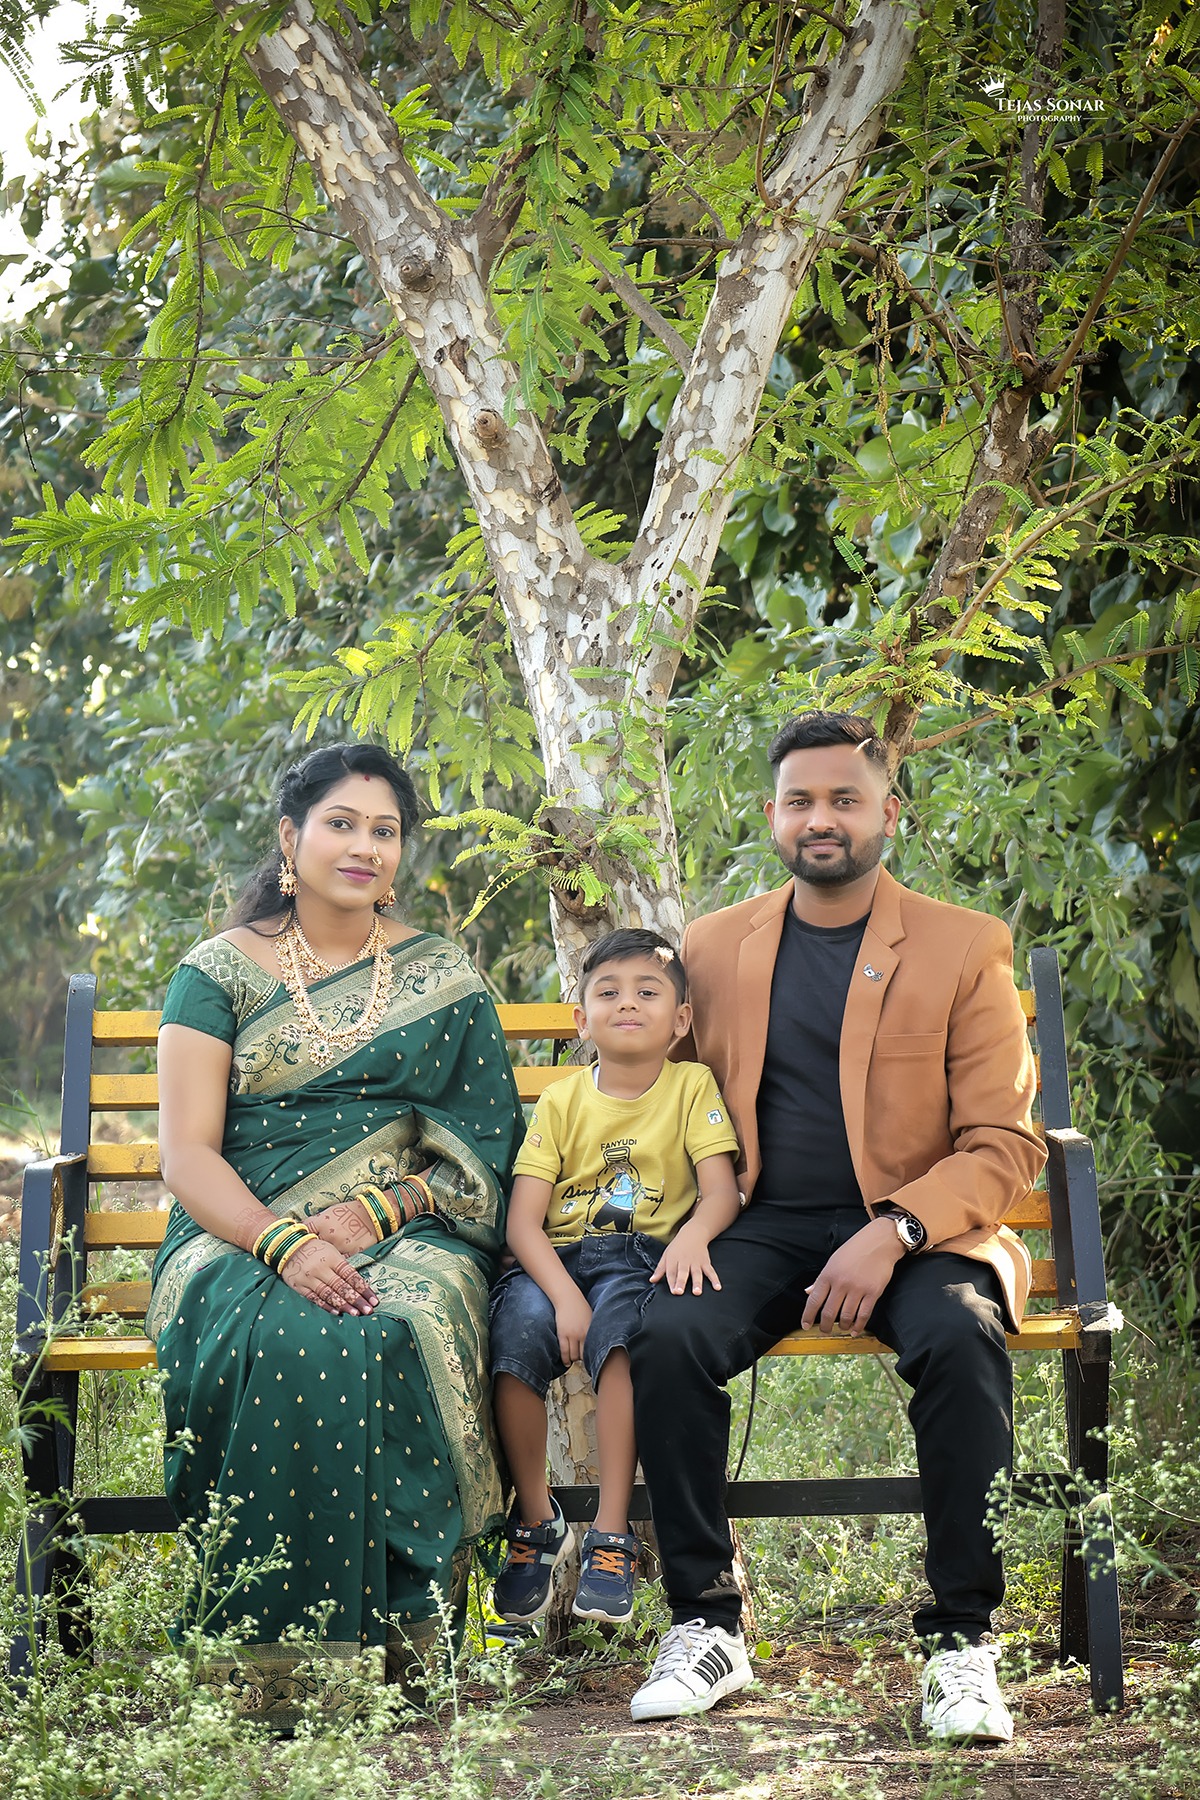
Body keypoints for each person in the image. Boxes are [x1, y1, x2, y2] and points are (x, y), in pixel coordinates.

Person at [627, 712, 1047, 1741]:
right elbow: (670, 1099)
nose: (822, 819)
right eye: (801, 801)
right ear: (773, 816)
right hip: (760, 1223)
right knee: (667, 1335)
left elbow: (1005, 1142)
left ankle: (961, 1643)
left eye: (845, 800)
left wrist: (894, 1230)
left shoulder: (963, 944)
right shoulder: (713, 947)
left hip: (920, 1232)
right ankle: (706, 1623)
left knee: (960, 1337)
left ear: (888, 814)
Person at [145, 743, 523, 1727]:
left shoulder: (443, 975)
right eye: (341, 824)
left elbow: (486, 1143)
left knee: (393, 1328)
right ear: (290, 837)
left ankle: (407, 1649)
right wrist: (286, 1244)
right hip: (237, 1228)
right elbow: (186, 1156)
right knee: (292, 1334)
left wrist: (380, 1213)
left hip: (412, 1227)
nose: (364, 847)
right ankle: (271, 1665)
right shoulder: (216, 974)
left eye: (384, 830)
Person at [488, 928, 742, 1626]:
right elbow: (523, 1224)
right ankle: (536, 1521)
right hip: (556, 1262)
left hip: (642, 1259)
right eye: (608, 992)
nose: (627, 1003)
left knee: (624, 1345)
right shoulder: (563, 1101)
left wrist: (692, 1237)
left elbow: (721, 1192)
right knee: (514, 1344)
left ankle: (610, 1533)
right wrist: (564, 1297)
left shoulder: (691, 1087)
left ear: (680, 1019)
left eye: (647, 991)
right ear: (582, 1019)